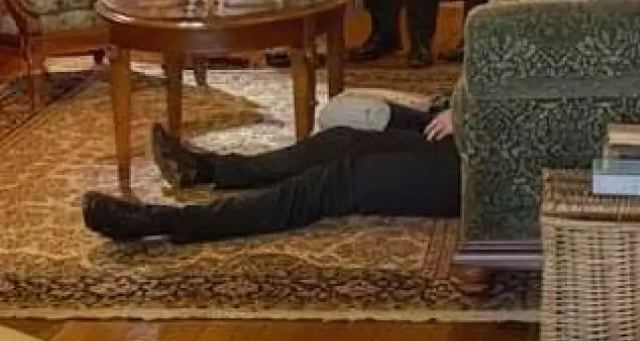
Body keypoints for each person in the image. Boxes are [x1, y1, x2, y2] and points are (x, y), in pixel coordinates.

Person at [81, 103, 459, 243]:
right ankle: (208, 168)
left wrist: (475, 113)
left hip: (486, 165)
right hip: (474, 134)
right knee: (339, 141)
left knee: (335, 181)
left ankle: (166, 220)